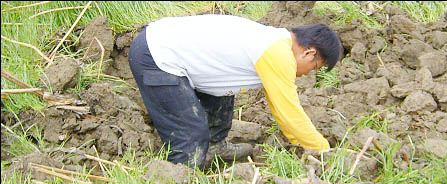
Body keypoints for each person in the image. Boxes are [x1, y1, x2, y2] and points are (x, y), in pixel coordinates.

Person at [128, 14, 341, 168]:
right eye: (314, 68)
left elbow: (279, 106)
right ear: (309, 53)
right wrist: (321, 149)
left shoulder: (275, 43)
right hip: (157, 56)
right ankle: (178, 183)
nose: (306, 74)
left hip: (167, 46)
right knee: (191, 135)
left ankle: (214, 147)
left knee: (225, 89)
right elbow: (288, 113)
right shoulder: (278, 53)